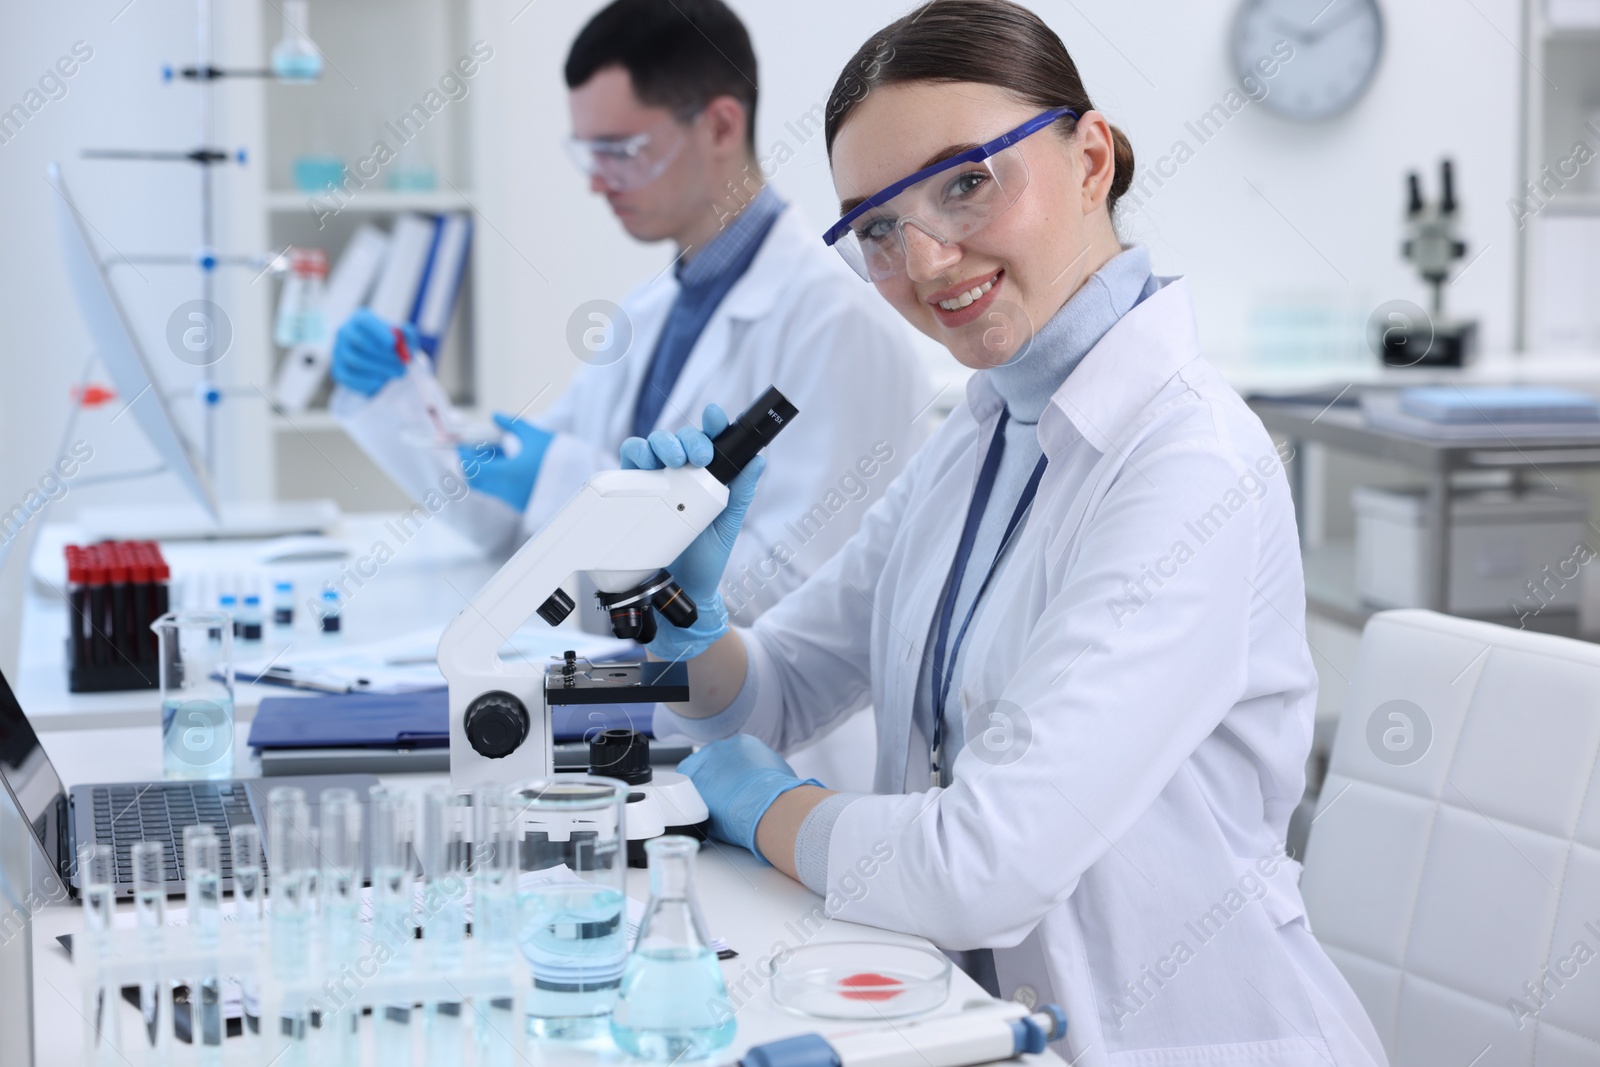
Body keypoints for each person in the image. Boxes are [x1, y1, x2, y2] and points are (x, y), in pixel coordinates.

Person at [618, 2, 1387, 1063]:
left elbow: (985, 863)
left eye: (967, 182)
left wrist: (765, 807)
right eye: (876, 229)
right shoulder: (982, 429)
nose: (926, 260)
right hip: (961, 1015)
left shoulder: (1186, 461)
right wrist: (692, 629)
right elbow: (789, 684)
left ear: (1089, 157)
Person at [327, 0, 930, 630]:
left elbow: (811, 599)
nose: (597, 182)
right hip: (638, 695)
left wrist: (566, 481)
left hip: (760, 727)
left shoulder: (842, 324)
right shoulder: (650, 308)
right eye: (588, 153)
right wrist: (402, 396)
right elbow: (507, 522)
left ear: (722, 127)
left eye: (620, 149)